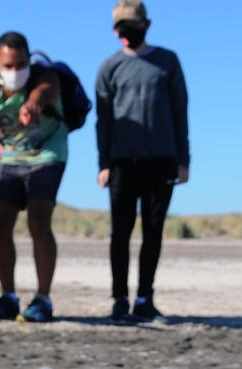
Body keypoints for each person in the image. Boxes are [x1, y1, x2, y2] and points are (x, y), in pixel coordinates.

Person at [95, 0, 190, 322]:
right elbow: (103, 119)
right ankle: (119, 299)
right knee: (120, 233)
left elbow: (180, 111)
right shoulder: (109, 67)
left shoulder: (167, 61)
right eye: (120, 28)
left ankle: (145, 299)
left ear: (146, 25)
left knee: (153, 230)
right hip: (121, 162)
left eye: (131, 27)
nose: (126, 33)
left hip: (162, 160)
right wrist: (103, 163)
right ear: (114, 30)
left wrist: (183, 159)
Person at [0, 32, 68, 323]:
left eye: (21, 65)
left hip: (46, 154)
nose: (15, 72)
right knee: (0, 223)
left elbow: (45, 91)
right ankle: (8, 297)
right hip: (9, 157)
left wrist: (33, 104)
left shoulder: (45, 77)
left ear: (30, 60)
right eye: (8, 66)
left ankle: (42, 298)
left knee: (38, 220)